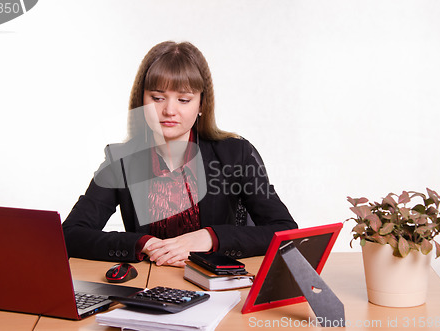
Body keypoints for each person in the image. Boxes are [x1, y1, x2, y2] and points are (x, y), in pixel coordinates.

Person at [62, 41, 297, 267]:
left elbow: (285, 230)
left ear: (202, 104)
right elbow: (70, 233)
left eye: (184, 99)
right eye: (157, 98)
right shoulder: (121, 160)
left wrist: (210, 237)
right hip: (148, 285)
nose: (169, 111)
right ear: (141, 100)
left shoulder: (235, 153)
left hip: (215, 285)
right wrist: (142, 243)